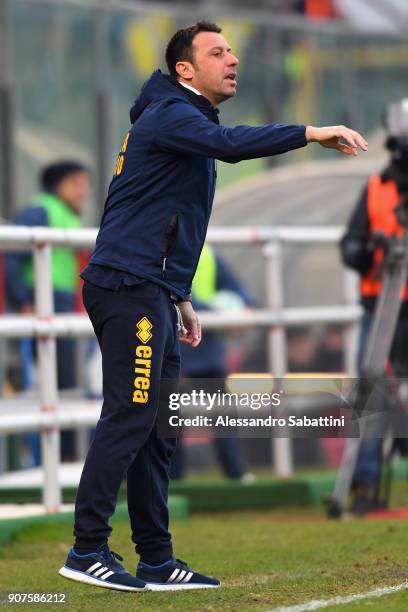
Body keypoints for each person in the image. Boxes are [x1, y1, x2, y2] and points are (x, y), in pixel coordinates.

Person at [58, 21, 367, 593]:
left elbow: (166, 219)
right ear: (185, 69)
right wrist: (309, 132)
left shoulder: (184, 118)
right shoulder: (174, 115)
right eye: (217, 52)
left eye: (233, 51)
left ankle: (156, 558)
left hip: (151, 288)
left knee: (157, 427)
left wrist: (180, 296)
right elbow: (231, 148)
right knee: (130, 415)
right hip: (127, 286)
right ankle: (86, 549)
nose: (232, 60)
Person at [340, 113, 408, 514]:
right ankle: (363, 482)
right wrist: (370, 252)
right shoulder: (376, 188)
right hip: (381, 304)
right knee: (369, 393)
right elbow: (351, 245)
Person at [5, 161, 90, 463]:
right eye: (77, 183)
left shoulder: (67, 215)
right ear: (59, 184)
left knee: (65, 381)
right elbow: (12, 255)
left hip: (61, 302)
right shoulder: (41, 209)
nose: (85, 190)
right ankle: (49, 459)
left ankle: (65, 456)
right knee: (47, 382)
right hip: (41, 301)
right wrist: (23, 301)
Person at [170, 243, 256, 482]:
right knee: (172, 414)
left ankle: (233, 472)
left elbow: (239, 291)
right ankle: (176, 475)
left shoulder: (204, 252)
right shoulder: (203, 250)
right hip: (184, 343)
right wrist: (225, 316)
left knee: (218, 413)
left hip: (198, 346)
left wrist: (238, 314)